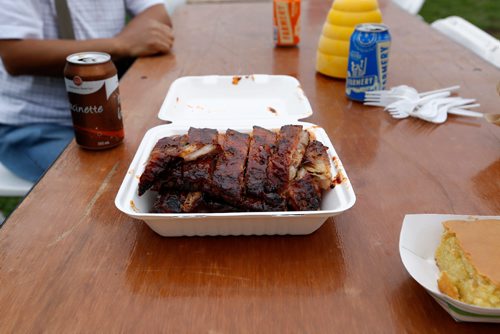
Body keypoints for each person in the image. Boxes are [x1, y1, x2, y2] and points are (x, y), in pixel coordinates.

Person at [0, 0, 174, 182]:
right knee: (105, 182)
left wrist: (129, 42)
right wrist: (120, 44)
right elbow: (15, 55)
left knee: (170, 162)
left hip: (112, 112)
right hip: (38, 125)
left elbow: (156, 13)